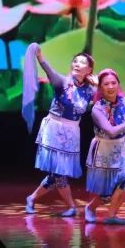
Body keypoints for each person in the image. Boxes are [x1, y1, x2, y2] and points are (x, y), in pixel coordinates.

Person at [24, 47, 97, 217]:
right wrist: (40, 56)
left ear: (89, 70)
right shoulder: (62, 82)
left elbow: (104, 101)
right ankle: (71, 207)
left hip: (72, 132)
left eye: (82, 62)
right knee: (59, 172)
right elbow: (48, 70)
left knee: (57, 173)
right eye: (75, 61)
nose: (77, 64)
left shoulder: (90, 90)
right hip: (55, 130)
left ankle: (31, 198)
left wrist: (97, 85)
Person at [84, 69, 125, 225]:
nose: (110, 87)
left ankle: (112, 215)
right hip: (104, 150)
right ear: (100, 87)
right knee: (108, 190)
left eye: (114, 83)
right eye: (106, 84)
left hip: (123, 148)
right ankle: (90, 207)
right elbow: (111, 131)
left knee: (124, 182)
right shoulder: (97, 108)